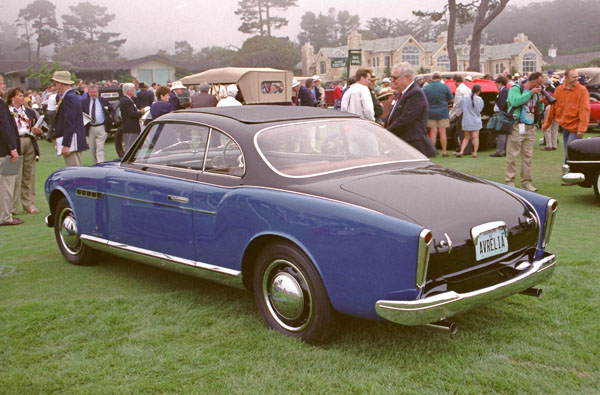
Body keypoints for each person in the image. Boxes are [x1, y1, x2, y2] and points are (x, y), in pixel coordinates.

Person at [542, 68, 590, 183]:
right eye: (574, 77)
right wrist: (547, 123)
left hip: (576, 127)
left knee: (570, 152)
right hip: (565, 126)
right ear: (566, 78)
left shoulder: (582, 90)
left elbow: (585, 110)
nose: (576, 79)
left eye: (577, 76)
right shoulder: (559, 90)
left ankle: (570, 177)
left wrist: (581, 129)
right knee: (568, 152)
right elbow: (553, 107)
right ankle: (574, 174)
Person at [384, 62, 437, 157]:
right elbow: (392, 116)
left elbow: (404, 120)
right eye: (391, 77)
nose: (392, 80)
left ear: (407, 77)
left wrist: (385, 134)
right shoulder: (400, 93)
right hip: (402, 145)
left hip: (413, 146)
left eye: (395, 78)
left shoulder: (415, 94)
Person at [505, 71, 545, 192]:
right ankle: (509, 181)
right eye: (538, 84)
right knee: (512, 155)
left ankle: (526, 182)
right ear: (532, 82)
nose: (539, 87)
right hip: (517, 126)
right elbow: (515, 101)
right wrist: (530, 94)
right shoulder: (516, 88)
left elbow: (538, 110)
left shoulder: (536, 93)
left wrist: (540, 103)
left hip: (530, 126)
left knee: (527, 156)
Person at [7, 88, 42, 214]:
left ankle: (29, 204)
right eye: (20, 96)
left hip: (29, 140)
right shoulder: (7, 111)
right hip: (15, 142)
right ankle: (12, 207)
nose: (23, 98)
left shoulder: (29, 112)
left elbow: (40, 128)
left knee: (29, 174)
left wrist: (38, 132)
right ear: (13, 98)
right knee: (14, 175)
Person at [0, 75, 23, 226]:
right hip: (3, 151)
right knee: (6, 185)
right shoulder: (1, 104)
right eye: (1, 83)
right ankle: (5, 217)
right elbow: (5, 127)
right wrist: (13, 148)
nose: (3, 86)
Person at [52, 70, 88, 167]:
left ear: (62, 83)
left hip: (72, 142)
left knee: (74, 173)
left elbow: (70, 122)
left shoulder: (69, 97)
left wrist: (66, 144)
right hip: (74, 140)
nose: (54, 84)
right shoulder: (71, 96)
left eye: (55, 82)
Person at [424, 73, 453, 157]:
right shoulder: (445, 87)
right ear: (440, 78)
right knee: (443, 132)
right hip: (443, 112)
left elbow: (423, 99)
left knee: (433, 132)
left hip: (431, 112)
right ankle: (444, 152)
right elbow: (451, 99)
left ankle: (433, 151)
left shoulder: (426, 87)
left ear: (432, 78)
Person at [82, 84, 112, 164]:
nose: (93, 94)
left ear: (98, 92)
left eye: (94, 92)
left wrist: (110, 115)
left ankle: (101, 163)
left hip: (101, 126)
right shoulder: (84, 102)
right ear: (88, 93)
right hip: (90, 127)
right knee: (92, 148)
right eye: (91, 92)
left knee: (100, 147)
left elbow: (111, 109)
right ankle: (96, 164)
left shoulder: (103, 100)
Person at [455, 84, 484, 158]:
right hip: (476, 120)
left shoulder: (465, 98)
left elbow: (461, 107)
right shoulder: (479, 99)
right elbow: (480, 109)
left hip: (466, 120)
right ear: (478, 91)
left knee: (466, 137)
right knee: (475, 137)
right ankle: (475, 152)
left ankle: (461, 151)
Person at [119, 82, 145, 152]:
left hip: (131, 127)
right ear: (128, 91)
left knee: (133, 146)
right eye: (133, 90)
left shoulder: (129, 100)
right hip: (131, 127)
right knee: (131, 147)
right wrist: (141, 112)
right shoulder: (126, 101)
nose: (134, 92)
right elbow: (131, 113)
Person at [449, 75, 471, 152]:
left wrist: (451, 115)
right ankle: (468, 149)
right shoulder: (468, 88)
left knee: (461, 131)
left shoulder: (459, 90)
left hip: (462, 112)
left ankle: (463, 149)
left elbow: (457, 104)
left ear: (455, 81)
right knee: (468, 131)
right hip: (468, 111)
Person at [490, 76, 509, 157]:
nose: (496, 85)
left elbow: (503, 103)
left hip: (502, 113)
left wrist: (500, 111)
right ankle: (503, 150)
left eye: (497, 84)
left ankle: (500, 151)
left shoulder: (503, 91)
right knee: (503, 133)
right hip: (503, 113)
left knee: (501, 133)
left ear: (500, 83)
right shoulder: (504, 90)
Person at [540, 77, 559, 151]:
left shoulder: (546, 92)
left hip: (549, 108)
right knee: (555, 128)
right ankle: (554, 145)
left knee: (547, 127)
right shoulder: (555, 90)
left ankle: (549, 145)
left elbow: (546, 101)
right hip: (557, 108)